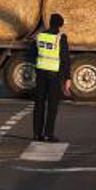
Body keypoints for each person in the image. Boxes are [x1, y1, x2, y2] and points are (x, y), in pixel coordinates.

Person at [31, 13, 71, 142]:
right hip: (54, 75)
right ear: (60, 25)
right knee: (52, 106)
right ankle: (49, 133)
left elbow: (33, 54)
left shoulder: (40, 36)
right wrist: (67, 78)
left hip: (41, 73)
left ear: (49, 23)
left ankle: (37, 134)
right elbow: (65, 59)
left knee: (39, 104)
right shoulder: (60, 38)